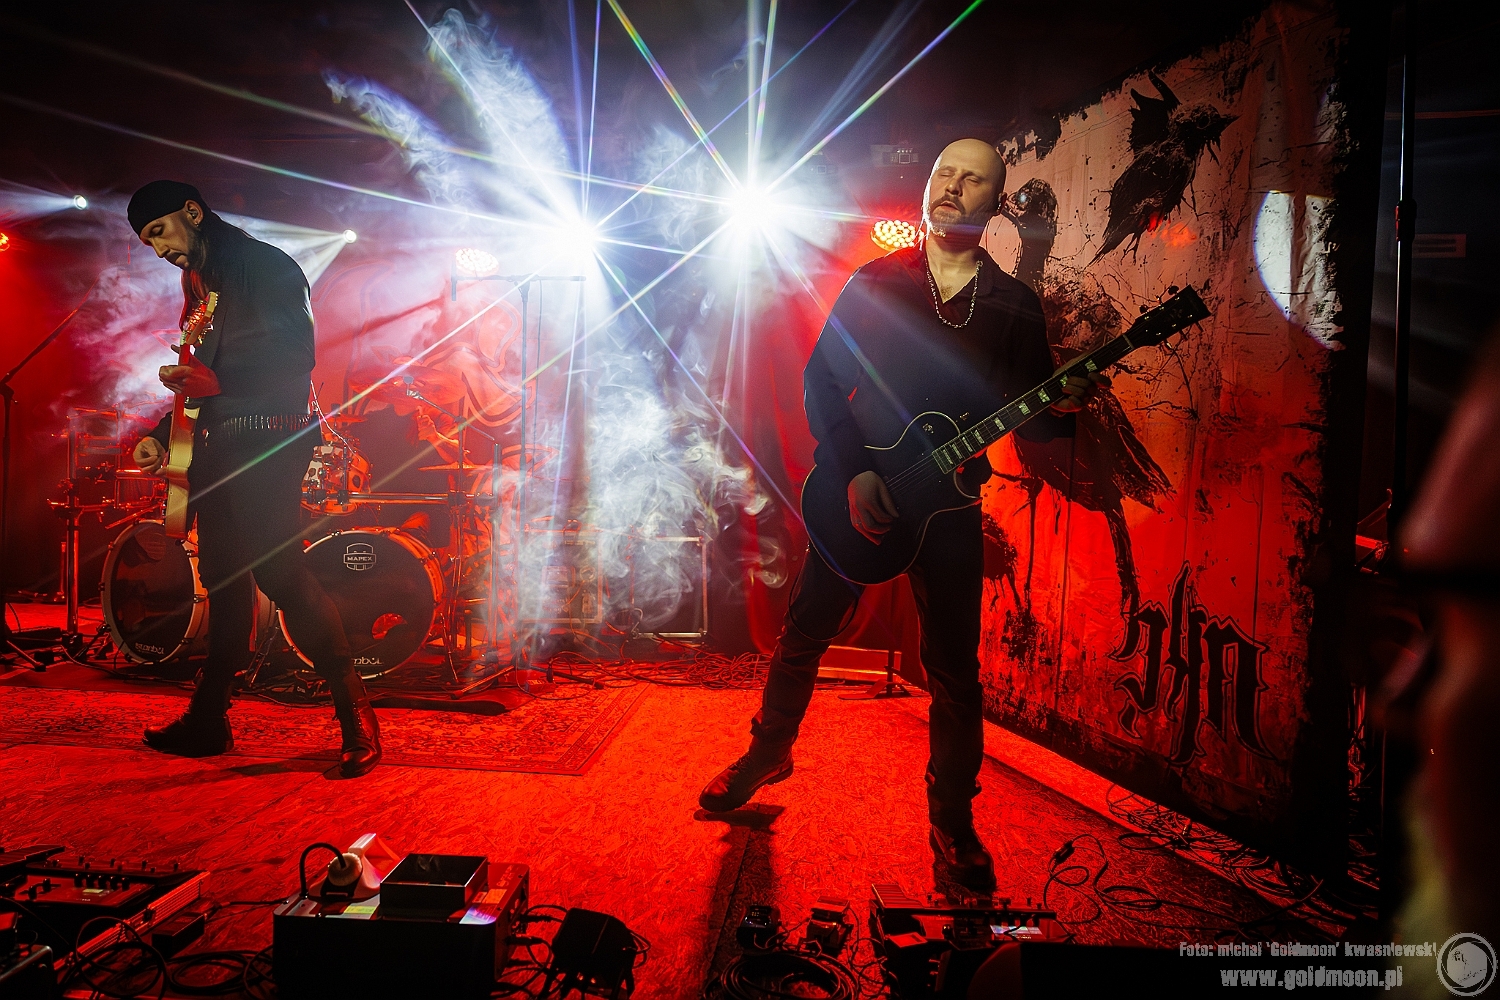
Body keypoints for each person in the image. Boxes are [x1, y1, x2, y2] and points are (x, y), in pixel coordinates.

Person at [698, 140, 1107, 891]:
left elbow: (1038, 425)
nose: (952, 186)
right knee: (804, 632)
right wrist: (854, 470)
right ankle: (768, 750)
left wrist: (1064, 407)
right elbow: (821, 381)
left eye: (972, 178)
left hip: (950, 509)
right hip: (861, 489)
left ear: (995, 203)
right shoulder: (877, 281)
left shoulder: (1014, 305)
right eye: (943, 173)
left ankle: (952, 821)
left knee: (954, 673)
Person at [128, 180, 381, 777]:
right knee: (222, 576)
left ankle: (358, 719)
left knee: (278, 571)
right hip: (218, 442)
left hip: (271, 438)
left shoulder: (265, 266)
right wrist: (161, 435)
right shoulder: (200, 282)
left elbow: (296, 355)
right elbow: (198, 372)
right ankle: (208, 719)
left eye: (159, 231)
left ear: (193, 212)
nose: (158, 249)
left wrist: (220, 383)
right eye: (146, 241)